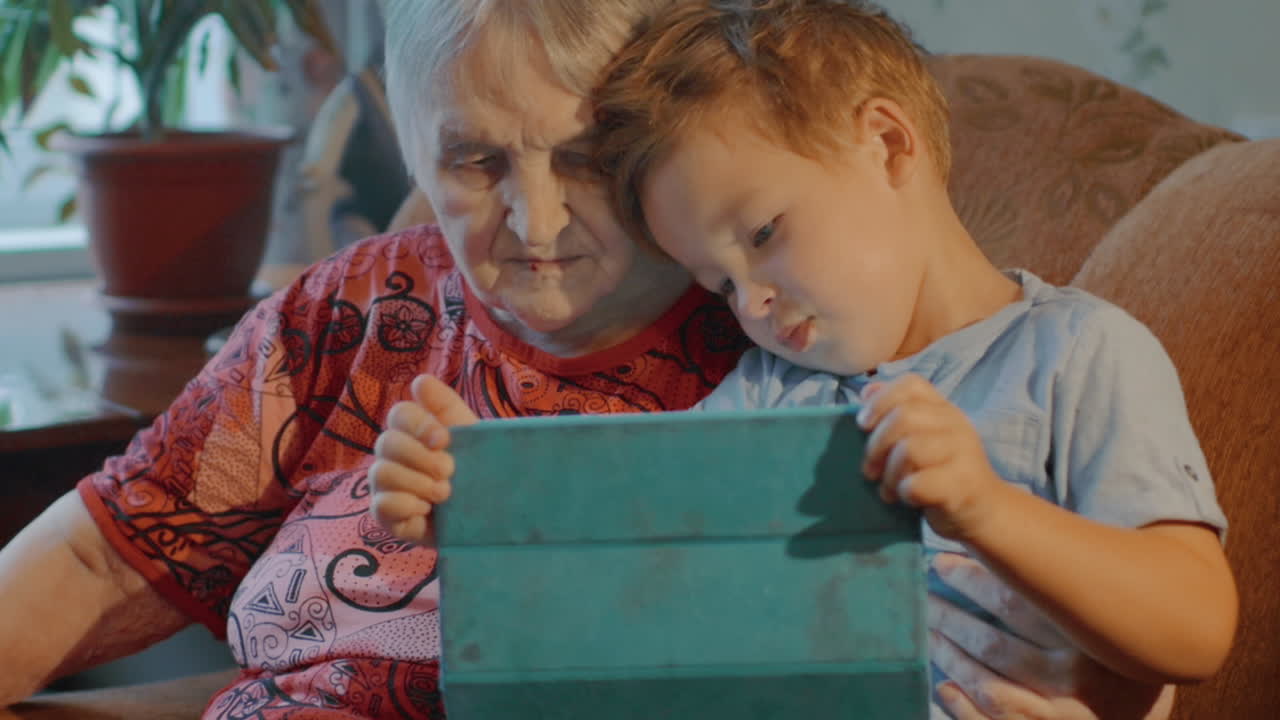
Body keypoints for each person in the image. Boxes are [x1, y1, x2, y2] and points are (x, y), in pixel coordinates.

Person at [0, 1, 1182, 719]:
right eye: (471, 160)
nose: (539, 221)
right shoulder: (357, 305)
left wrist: (1118, 686)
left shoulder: (791, 344)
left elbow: (1049, 588)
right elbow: (111, 550)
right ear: (404, 136)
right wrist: (448, 507)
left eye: (586, 159)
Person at [369, 1, 1236, 718]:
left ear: (889, 146)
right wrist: (475, 501)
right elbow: (632, 576)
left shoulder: (1075, 354)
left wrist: (987, 510)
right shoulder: (768, 397)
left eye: (764, 235)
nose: (752, 304)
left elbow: (1196, 628)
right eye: (718, 284)